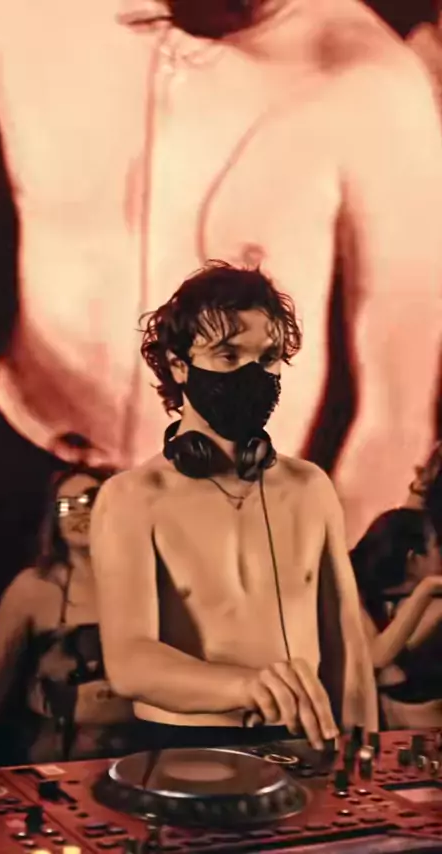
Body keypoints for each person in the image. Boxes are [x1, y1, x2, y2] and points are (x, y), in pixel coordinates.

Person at [0, 0, 441, 551]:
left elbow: (395, 421)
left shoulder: (376, 89)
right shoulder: (7, 16)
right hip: (17, 472)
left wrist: (325, 582)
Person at [90, 263, 378, 754]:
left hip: (304, 744)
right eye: (228, 355)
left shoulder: (310, 488)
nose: (252, 373)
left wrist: (363, 756)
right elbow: (130, 662)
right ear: (179, 365)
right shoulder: (131, 498)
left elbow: (346, 643)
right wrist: (246, 686)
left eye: (267, 358)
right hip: (185, 749)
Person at [0, 467, 133, 771]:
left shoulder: (145, 582)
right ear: (55, 521)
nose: (79, 512)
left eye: (89, 499)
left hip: (136, 755)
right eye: (66, 505)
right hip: (57, 758)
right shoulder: (34, 588)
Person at [351, 503, 442, 729]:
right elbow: (376, 657)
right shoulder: (349, 587)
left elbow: (403, 646)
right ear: (413, 559)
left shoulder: (400, 596)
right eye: (437, 547)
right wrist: (427, 589)